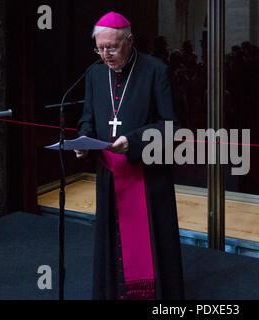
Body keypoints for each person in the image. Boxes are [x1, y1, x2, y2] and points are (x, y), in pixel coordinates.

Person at [75, 11, 184, 300]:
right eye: (100, 48)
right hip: (109, 175)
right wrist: (83, 140)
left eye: (112, 47)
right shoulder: (94, 74)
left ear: (130, 41)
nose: (105, 54)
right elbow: (87, 118)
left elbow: (171, 126)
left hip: (148, 175)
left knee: (151, 240)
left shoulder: (156, 70)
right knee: (112, 239)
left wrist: (132, 141)